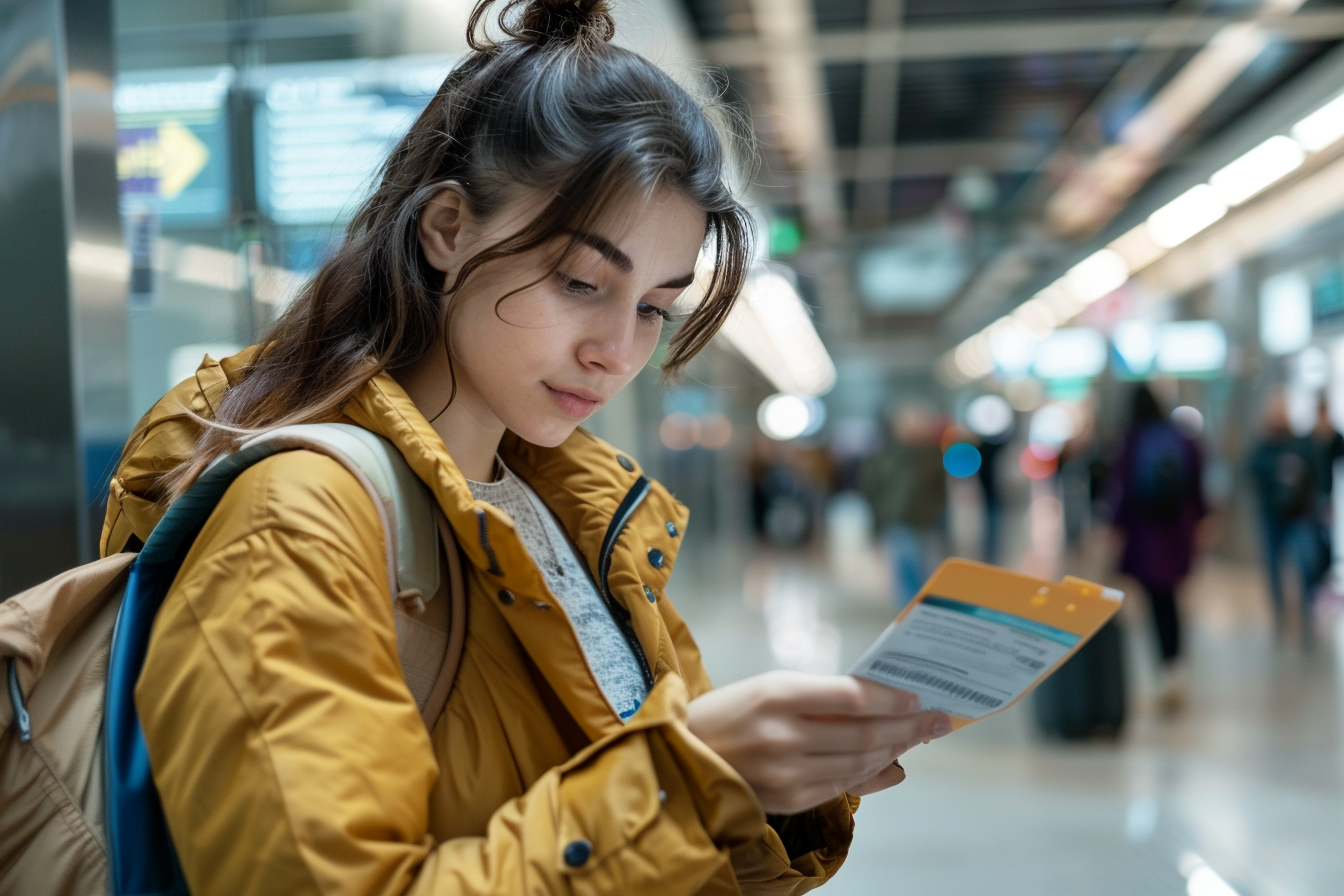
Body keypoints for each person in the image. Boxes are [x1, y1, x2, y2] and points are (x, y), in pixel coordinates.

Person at [98, 3, 950, 894]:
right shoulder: (297, 519)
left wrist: (768, 789)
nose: (617, 350)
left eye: (654, 308)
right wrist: (691, 776)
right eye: (582, 281)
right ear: (448, 229)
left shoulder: (580, 514)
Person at [1108, 386, 1205, 713]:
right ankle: (1176, 668)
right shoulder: (1182, 438)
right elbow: (1197, 486)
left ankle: (1165, 671)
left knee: (1155, 604)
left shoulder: (1132, 441)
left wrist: (1113, 529)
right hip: (1177, 534)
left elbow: (1120, 491)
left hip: (1146, 536)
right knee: (1172, 601)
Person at [1249, 393, 1329, 643]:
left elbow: (1317, 471)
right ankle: (1280, 615)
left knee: (1306, 565)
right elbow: (1251, 475)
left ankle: (1306, 616)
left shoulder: (1301, 443)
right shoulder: (1262, 446)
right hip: (1272, 517)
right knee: (1273, 569)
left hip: (1299, 516)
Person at [857, 404, 948, 608]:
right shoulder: (885, 455)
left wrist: (933, 514)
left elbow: (939, 492)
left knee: (922, 571)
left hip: (923, 522)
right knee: (902, 570)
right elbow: (873, 489)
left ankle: (919, 612)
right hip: (895, 520)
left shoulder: (930, 456)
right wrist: (876, 524)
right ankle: (907, 612)